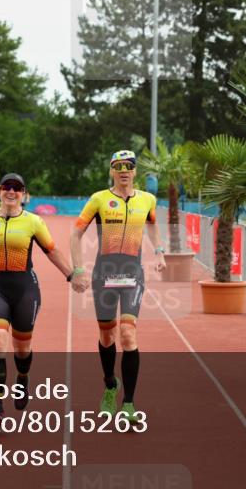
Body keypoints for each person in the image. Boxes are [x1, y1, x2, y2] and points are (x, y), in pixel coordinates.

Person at [0, 173, 73, 419]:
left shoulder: (33, 222)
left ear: (24, 194)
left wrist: (71, 275)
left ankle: (22, 378)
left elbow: (52, 251)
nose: (12, 192)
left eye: (17, 188)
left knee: (22, 348)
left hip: (24, 289)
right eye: (6, 187)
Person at [70, 149, 166, 424]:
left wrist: (158, 251)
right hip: (104, 274)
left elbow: (153, 226)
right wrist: (78, 269)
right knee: (107, 337)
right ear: (112, 170)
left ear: (135, 171)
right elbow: (76, 234)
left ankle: (129, 403)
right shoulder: (99, 199)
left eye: (129, 165)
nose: (124, 170)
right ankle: (110, 384)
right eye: (118, 166)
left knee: (127, 334)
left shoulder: (147, 199)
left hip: (132, 273)